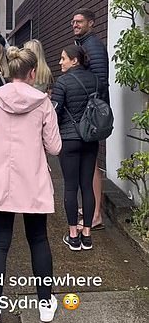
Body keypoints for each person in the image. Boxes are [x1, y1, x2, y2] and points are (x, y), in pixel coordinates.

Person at [0, 48, 62, 323]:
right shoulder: (43, 103)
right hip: (33, 182)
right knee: (38, 240)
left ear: (10, 71)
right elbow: (55, 147)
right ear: (33, 73)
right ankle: (45, 305)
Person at [51, 45, 103, 251]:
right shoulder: (97, 81)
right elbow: (102, 109)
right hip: (90, 139)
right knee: (87, 186)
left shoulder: (62, 82)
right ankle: (87, 235)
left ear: (75, 61)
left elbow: (55, 113)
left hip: (69, 139)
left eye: (63, 58)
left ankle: (73, 235)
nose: (60, 62)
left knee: (71, 186)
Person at [72, 8, 109, 231]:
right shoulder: (84, 44)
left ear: (91, 23)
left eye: (79, 22)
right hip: (88, 114)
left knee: (92, 164)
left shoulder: (92, 46)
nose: (75, 25)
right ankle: (91, 209)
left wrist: (88, 110)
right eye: (73, 22)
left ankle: (95, 215)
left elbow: (100, 81)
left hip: (91, 116)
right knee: (88, 163)